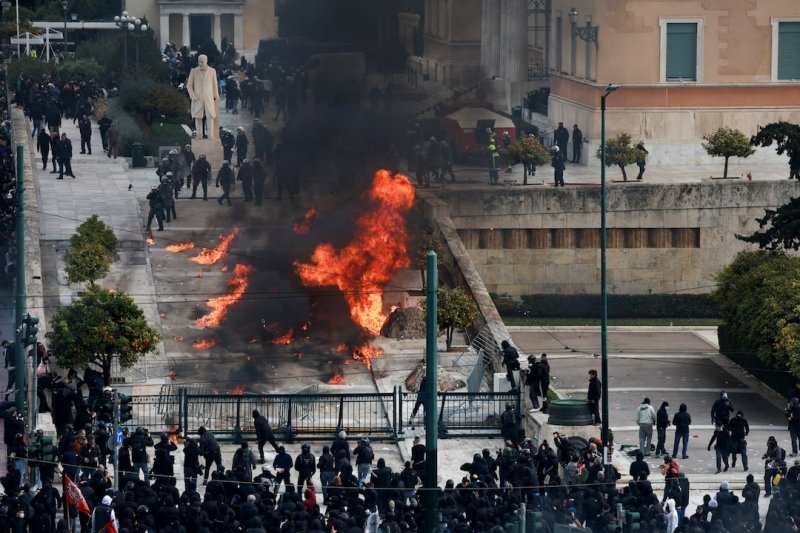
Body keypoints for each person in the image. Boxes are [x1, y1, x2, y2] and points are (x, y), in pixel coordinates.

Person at [186, 54, 220, 139]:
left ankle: (210, 134)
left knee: (210, 116)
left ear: (206, 61)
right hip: (198, 98)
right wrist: (193, 96)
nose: (201, 63)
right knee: (198, 117)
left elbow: (214, 84)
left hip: (209, 98)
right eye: (199, 61)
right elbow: (189, 85)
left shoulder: (212, 71)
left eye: (202, 61)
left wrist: (216, 95)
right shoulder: (194, 71)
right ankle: (199, 135)